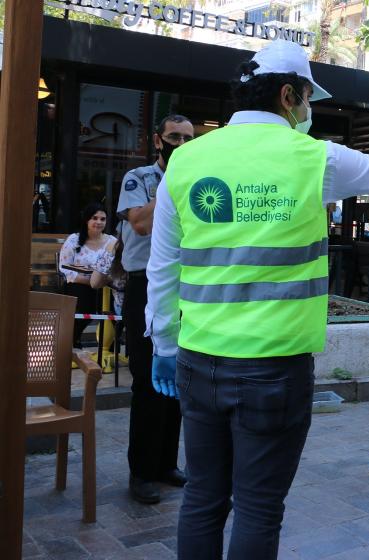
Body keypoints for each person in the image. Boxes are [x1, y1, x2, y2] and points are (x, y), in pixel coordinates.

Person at [144, 39, 369, 559]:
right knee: (257, 506)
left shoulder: (185, 161)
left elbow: (162, 266)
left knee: (204, 498)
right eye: (306, 97)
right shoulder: (314, 158)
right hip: (274, 371)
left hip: (198, 364)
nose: (308, 109)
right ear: (287, 95)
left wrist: (162, 342)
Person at [117, 113, 194, 504]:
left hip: (183, 289)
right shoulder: (140, 178)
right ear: (157, 140)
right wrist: (173, 185)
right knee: (148, 382)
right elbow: (141, 224)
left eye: (187, 138)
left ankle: (166, 463)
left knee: (177, 380)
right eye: (174, 137)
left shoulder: (194, 176)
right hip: (145, 286)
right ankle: (141, 472)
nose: (181, 143)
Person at [59, 202, 115, 347]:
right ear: (86, 220)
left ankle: (108, 347)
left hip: (107, 285)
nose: (98, 222)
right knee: (85, 305)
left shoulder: (112, 241)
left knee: (118, 306)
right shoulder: (73, 240)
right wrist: (90, 282)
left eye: (102, 219)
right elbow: (65, 269)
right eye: (94, 218)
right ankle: (70, 341)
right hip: (79, 284)